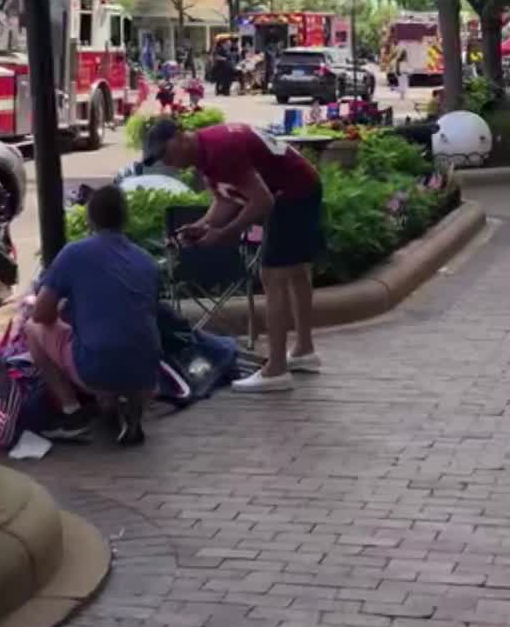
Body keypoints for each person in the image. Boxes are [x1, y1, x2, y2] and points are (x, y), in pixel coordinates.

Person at [144, 117, 323, 393]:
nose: (168, 163)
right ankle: (303, 350)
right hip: (299, 187)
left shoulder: (220, 149)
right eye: (160, 159)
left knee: (273, 275)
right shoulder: (206, 153)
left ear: (180, 136)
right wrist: (203, 226)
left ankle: (276, 369)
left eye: (167, 153)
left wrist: (227, 233)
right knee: (297, 271)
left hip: (294, 193)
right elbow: (226, 199)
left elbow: (263, 201)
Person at [23, 186, 160, 445]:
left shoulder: (74, 253)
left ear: (90, 219)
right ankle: (127, 407)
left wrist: (58, 311)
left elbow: (41, 314)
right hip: (148, 372)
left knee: (32, 328)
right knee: (122, 337)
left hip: (96, 367)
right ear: (125, 218)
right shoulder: (146, 260)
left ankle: (72, 412)